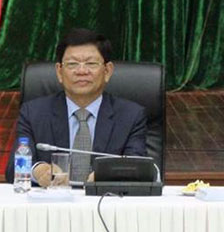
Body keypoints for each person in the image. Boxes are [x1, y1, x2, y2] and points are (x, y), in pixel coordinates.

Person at [4, 28, 147, 186]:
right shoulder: (33, 113)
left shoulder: (131, 115)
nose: (81, 71)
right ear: (59, 71)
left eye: (91, 63)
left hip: (104, 204)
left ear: (107, 71)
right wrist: (38, 171)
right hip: (53, 206)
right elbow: (13, 169)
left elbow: (138, 167)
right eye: (72, 64)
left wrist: (109, 174)